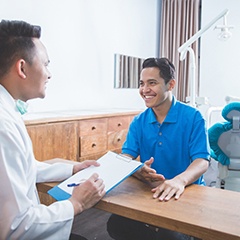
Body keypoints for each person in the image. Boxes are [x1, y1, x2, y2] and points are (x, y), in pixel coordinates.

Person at [0, 20, 105, 240]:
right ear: (22, 67)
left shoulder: (8, 110)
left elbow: (23, 169)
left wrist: (72, 169)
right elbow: (15, 227)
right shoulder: (4, 124)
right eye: (46, 64)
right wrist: (75, 203)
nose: (49, 74)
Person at [107, 57, 210, 240]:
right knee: (116, 225)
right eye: (142, 83)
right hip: (151, 193)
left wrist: (179, 181)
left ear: (170, 84)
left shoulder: (193, 117)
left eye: (152, 83)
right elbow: (126, 156)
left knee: (173, 236)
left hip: (186, 194)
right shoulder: (139, 121)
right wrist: (136, 169)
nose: (144, 90)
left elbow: (202, 161)